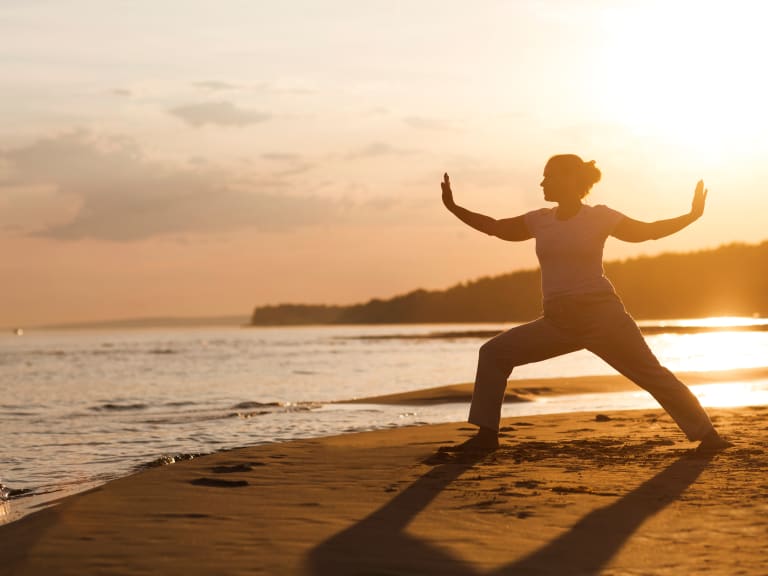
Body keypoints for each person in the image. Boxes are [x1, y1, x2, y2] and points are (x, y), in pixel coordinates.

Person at [440, 154, 732, 454]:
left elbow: (647, 232)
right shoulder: (540, 220)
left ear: (570, 180)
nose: (542, 182)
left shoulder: (599, 217)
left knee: (652, 374)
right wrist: (454, 208)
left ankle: (708, 436)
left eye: (549, 176)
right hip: (558, 322)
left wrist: (690, 216)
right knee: (493, 354)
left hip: (603, 317)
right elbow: (495, 227)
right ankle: (486, 436)